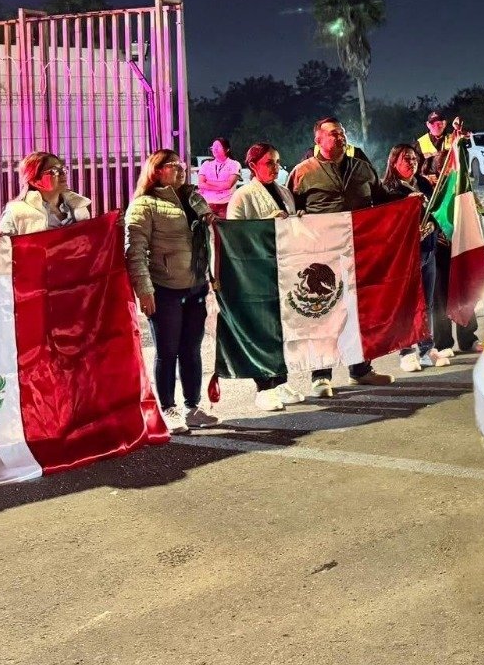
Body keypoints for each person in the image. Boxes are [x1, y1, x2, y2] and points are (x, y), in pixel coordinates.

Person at [286, 117, 391, 387]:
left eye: (342, 133)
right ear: (318, 140)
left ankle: (361, 369)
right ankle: (321, 376)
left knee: (358, 311)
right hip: (321, 257)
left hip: (359, 252)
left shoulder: (362, 168)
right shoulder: (303, 172)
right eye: (333, 134)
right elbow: (288, 213)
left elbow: (383, 200)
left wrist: (408, 201)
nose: (340, 137)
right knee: (324, 314)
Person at [125, 149, 218, 434]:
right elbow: (135, 250)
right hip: (164, 288)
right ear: (156, 170)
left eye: (181, 164)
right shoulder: (144, 204)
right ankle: (168, 408)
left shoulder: (193, 199)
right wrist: (144, 290)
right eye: (173, 165)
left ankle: (192, 406)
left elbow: (209, 239)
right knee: (167, 351)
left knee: (192, 349)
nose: (180, 169)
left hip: (196, 286)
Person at [225, 143, 307, 411]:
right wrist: (266, 223)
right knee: (261, 330)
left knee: (283, 329)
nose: (275, 167)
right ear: (252, 166)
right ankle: (263, 387)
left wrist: (298, 220)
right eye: (269, 162)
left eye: (277, 162)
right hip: (255, 272)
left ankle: (281, 381)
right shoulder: (242, 196)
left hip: (283, 269)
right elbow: (233, 236)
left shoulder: (285, 192)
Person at [378, 144, 443, 372]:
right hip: (404, 257)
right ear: (394, 162)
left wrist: (432, 226)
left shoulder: (424, 183)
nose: (411, 163)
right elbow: (386, 224)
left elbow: (435, 211)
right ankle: (406, 351)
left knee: (427, 303)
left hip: (428, 251)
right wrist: (406, 206)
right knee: (405, 305)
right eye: (406, 159)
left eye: (414, 158)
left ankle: (426, 348)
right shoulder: (387, 190)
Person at [0, 152, 93, 235]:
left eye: (63, 169)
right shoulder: (16, 212)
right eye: (54, 171)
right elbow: (5, 246)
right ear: (34, 181)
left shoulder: (79, 206)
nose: (62, 174)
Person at [196, 138, 240, 219]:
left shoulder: (234, 164)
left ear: (227, 149)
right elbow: (201, 184)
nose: (214, 149)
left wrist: (208, 182)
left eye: (218, 146)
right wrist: (221, 185)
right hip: (208, 205)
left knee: (224, 226)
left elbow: (228, 185)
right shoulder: (206, 164)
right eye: (213, 147)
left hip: (226, 204)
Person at [416, 111, 463, 179]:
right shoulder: (420, 143)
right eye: (432, 123)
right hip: (426, 182)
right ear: (428, 125)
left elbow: (464, 136)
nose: (436, 126)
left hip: (448, 180)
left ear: (444, 124)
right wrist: (425, 178)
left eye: (439, 123)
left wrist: (458, 129)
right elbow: (414, 168)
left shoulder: (453, 138)